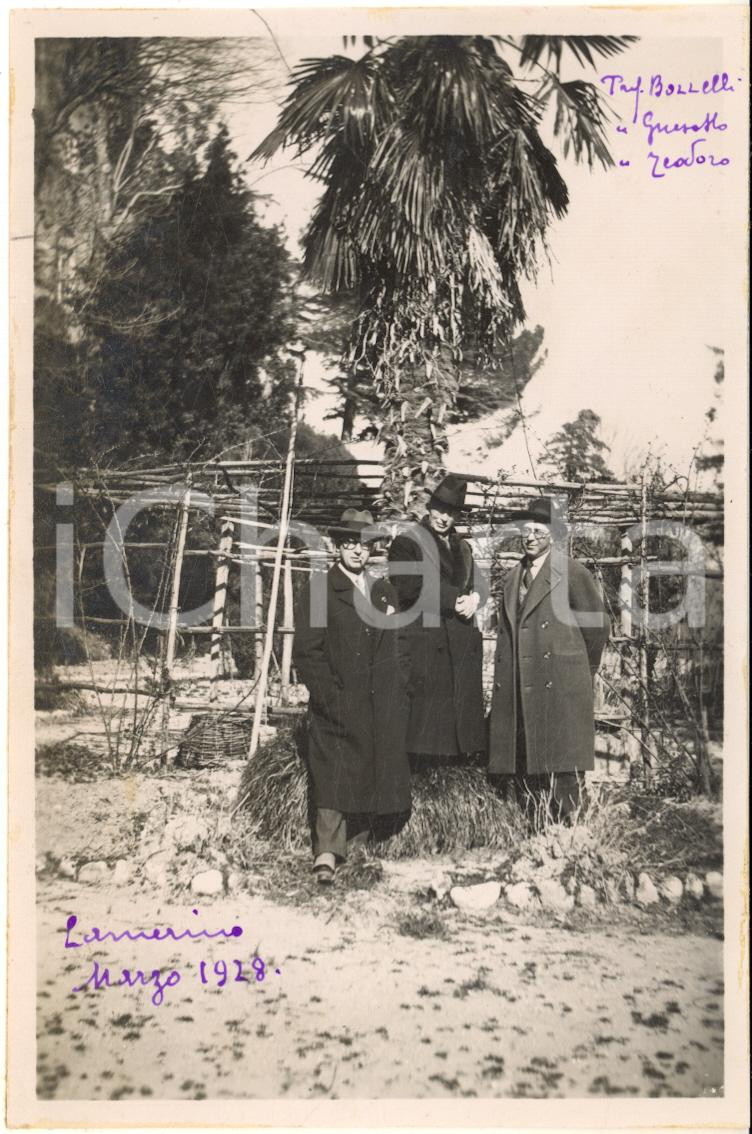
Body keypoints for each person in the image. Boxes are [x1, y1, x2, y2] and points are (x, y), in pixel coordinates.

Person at [293, 508, 411, 884]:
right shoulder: (319, 590)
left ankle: (358, 846)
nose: (357, 552)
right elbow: (308, 651)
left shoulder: (383, 591)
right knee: (332, 771)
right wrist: (329, 696)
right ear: (336, 546)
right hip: (338, 699)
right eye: (349, 544)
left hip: (377, 701)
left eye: (364, 545)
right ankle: (326, 851)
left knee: (368, 767)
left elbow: (393, 645)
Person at [487, 496, 609, 820]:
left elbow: (597, 627)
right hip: (523, 688)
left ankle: (573, 840)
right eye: (526, 529)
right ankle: (539, 834)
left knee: (563, 769)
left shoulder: (570, 572)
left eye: (538, 529)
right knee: (530, 766)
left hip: (560, 686)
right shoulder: (513, 578)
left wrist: (580, 670)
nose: (530, 536)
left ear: (552, 534)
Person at [387, 474, 486, 767]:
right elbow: (406, 585)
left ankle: (452, 771)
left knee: (456, 724)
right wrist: (453, 598)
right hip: (425, 643)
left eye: (452, 512)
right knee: (426, 728)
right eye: (441, 510)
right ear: (430, 508)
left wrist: (475, 599)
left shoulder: (463, 547)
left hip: (459, 642)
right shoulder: (408, 542)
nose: (445, 518)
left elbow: (479, 582)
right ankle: (426, 774)